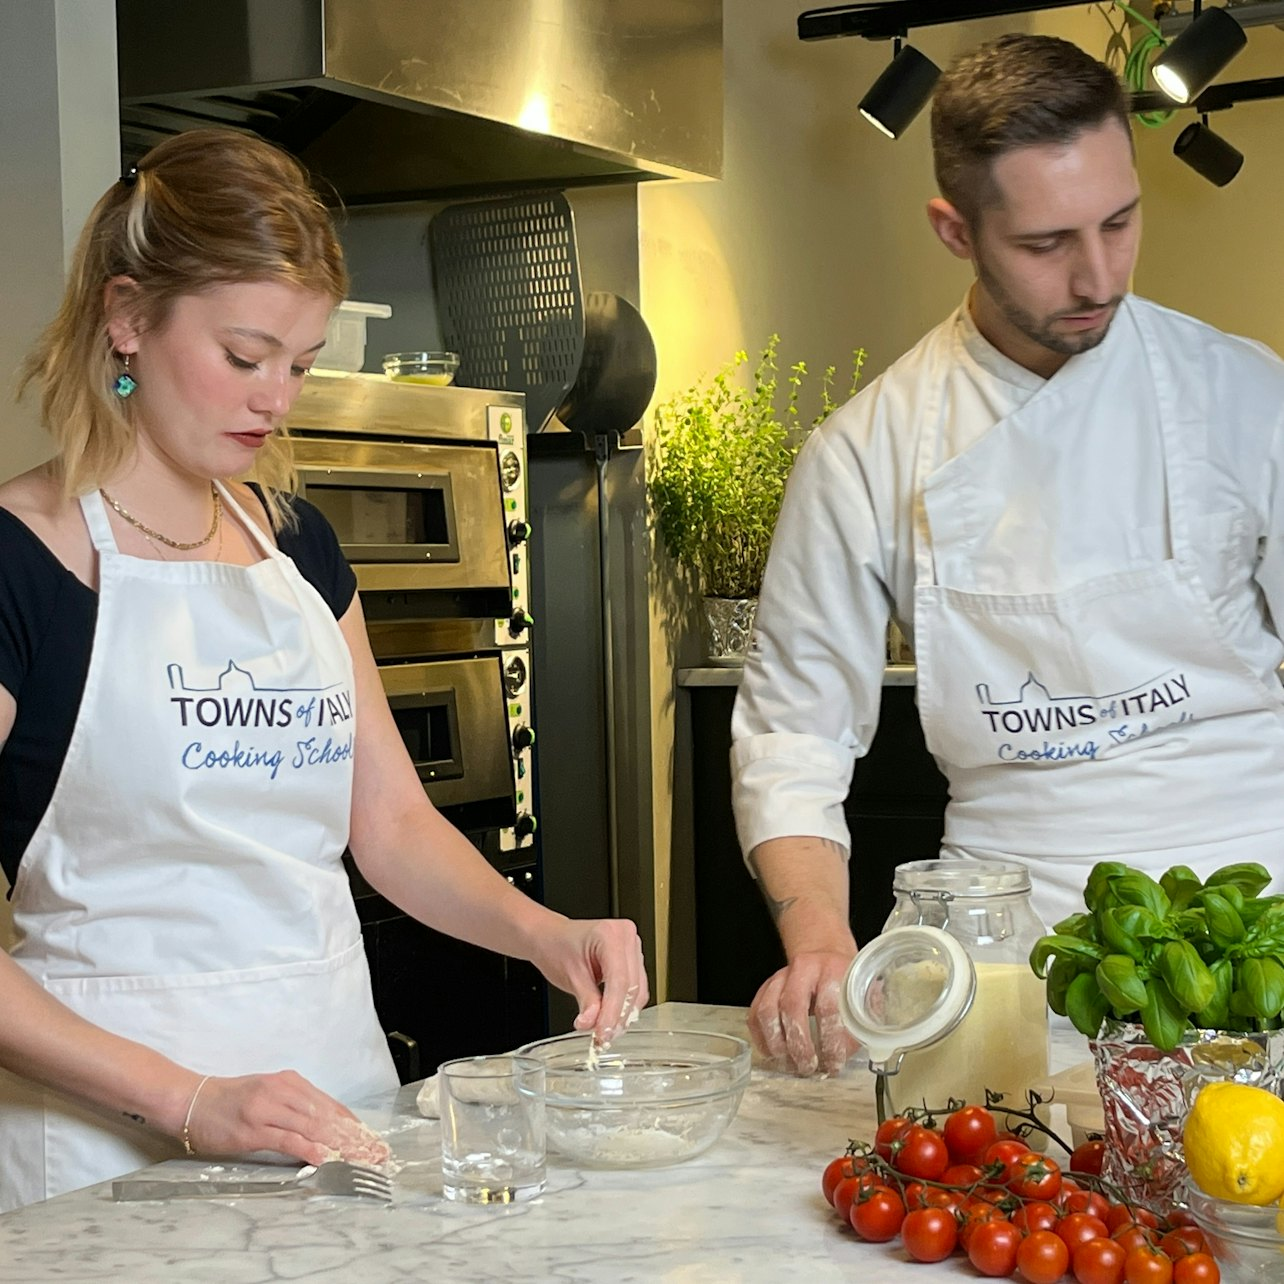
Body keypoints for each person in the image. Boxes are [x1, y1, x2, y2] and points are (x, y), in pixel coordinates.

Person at [0, 129, 648, 1211]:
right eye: (245, 356)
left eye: (298, 364)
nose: (275, 398)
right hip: (108, 1155)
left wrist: (547, 932)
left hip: (334, 1114)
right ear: (126, 316)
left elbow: (389, 826)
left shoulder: (296, 547)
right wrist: (190, 1100)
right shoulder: (20, 565)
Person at [731, 32, 1284, 1076]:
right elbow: (793, 737)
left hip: (1259, 932)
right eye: (1045, 242)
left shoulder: (1244, 393)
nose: (1098, 273)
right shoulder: (865, 453)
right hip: (1013, 966)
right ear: (955, 229)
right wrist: (818, 939)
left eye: (1120, 222)